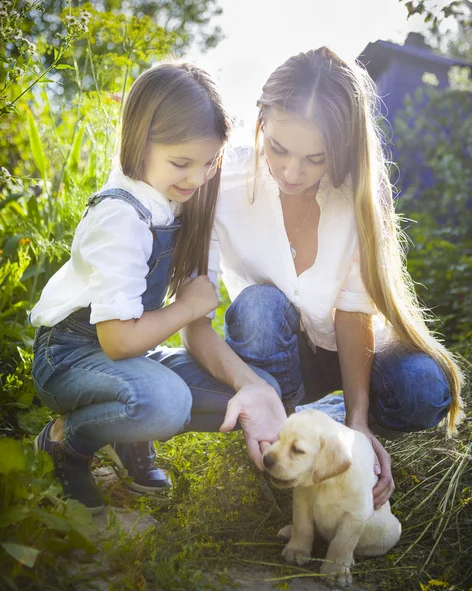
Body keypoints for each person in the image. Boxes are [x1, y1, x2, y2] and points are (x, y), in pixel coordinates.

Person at [178, 47, 464, 510]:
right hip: (272, 355)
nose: (293, 172)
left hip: (347, 351)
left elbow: (353, 314)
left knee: (424, 388)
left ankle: (316, 429)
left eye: (316, 158)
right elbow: (193, 322)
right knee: (258, 307)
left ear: (344, 148)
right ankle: (281, 423)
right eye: (278, 149)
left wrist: (357, 423)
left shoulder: (356, 193)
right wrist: (250, 386)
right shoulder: (221, 181)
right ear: (262, 123)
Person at [29, 61, 236, 513]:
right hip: (68, 354)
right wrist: (185, 308)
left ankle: (125, 435)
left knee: (236, 393)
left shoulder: (178, 202)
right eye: (182, 163)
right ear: (139, 141)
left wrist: (249, 383)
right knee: (165, 403)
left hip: (128, 354)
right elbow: (119, 340)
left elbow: (150, 335)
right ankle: (67, 443)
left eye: (208, 163)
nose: (197, 179)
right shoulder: (122, 215)